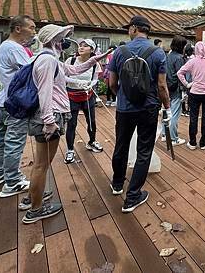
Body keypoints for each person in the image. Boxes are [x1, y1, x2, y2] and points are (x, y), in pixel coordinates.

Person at [24, 24, 110, 223]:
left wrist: (94, 60)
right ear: (53, 40)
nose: (66, 42)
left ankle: (32, 198)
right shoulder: (47, 60)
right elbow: (44, 92)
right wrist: (48, 121)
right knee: (42, 165)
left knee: (40, 164)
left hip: (50, 114)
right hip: (50, 115)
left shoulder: (49, 58)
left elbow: (71, 69)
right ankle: (35, 209)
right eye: (62, 38)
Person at [108, 15, 169, 213]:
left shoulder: (119, 51)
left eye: (129, 28)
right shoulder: (158, 52)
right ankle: (133, 196)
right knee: (144, 150)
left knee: (121, 145)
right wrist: (166, 106)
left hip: (124, 109)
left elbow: (111, 83)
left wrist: (123, 96)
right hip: (148, 108)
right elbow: (161, 85)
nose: (128, 31)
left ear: (135, 29)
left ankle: (117, 184)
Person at [0, 15, 36, 197]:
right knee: (14, 141)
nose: (33, 31)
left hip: (3, 101)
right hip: (16, 104)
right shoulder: (15, 48)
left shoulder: (4, 46)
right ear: (18, 28)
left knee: (1, 139)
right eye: (31, 27)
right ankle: (12, 181)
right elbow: (32, 71)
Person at [64, 39, 104, 164]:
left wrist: (90, 84)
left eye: (85, 46)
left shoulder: (94, 64)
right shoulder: (70, 61)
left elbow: (95, 79)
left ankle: (91, 142)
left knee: (91, 121)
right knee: (72, 124)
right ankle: (70, 150)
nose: (81, 47)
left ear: (92, 50)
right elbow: (63, 76)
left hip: (88, 96)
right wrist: (77, 82)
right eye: (80, 45)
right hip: (72, 96)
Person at [177, 42, 205, 150]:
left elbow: (180, 73)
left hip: (194, 92)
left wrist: (187, 84)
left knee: (193, 117)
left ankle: (192, 142)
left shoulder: (192, 61)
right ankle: (204, 142)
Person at [163, 35, 188, 146]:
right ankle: (173, 138)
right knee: (175, 113)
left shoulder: (168, 56)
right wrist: (185, 89)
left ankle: (165, 134)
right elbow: (181, 75)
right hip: (176, 87)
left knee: (167, 111)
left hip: (167, 86)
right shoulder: (179, 58)